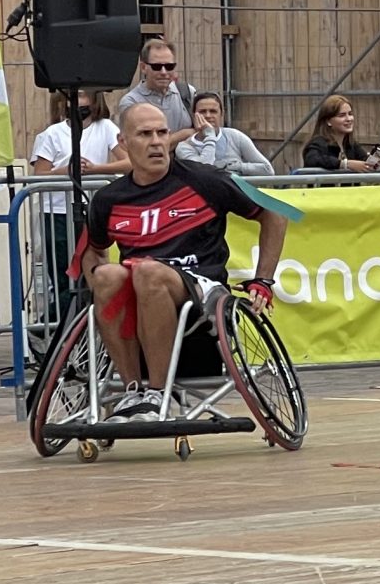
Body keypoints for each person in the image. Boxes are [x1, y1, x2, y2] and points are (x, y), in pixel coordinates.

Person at [79, 102, 290, 405]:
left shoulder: (205, 179)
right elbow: (93, 252)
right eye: (145, 134)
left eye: (162, 132)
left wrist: (263, 280)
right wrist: (99, 287)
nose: (156, 142)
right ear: (123, 142)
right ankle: (133, 391)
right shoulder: (108, 199)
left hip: (202, 287)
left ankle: (157, 392)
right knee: (107, 275)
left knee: (148, 271)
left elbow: (274, 214)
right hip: (140, 289)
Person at [30, 86, 129, 320]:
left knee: (93, 271)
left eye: (84, 94)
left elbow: (129, 163)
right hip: (56, 212)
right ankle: (54, 323)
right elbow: (39, 174)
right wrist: (66, 171)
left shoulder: (106, 128)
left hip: (92, 211)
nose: (78, 100)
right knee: (63, 275)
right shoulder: (52, 133)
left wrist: (96, 169)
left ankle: (82, 322)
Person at [116, 36, 197, 140]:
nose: (163, 72)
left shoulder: (187, 93)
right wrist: (185, 134)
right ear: (143, 68)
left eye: (169, 66)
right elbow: (140, 144)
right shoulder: (131, 102)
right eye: (157, 67)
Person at [175, 92, 275, 175]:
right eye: (202, 112)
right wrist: (210, 135)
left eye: (213, 111)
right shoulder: (184, 147)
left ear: (222, 114)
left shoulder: (235, 136)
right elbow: (204, 172)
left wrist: (238, 167)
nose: (208, 115)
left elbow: (267, 169)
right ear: (194, 115)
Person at [301, 94, 380, 173]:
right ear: (328, 121)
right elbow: (312, 160)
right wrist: (345, 164)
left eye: (350, 114)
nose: (348, 119)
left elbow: (365, 160)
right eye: (342, 115)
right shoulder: (318, 143)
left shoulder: (351, 144)